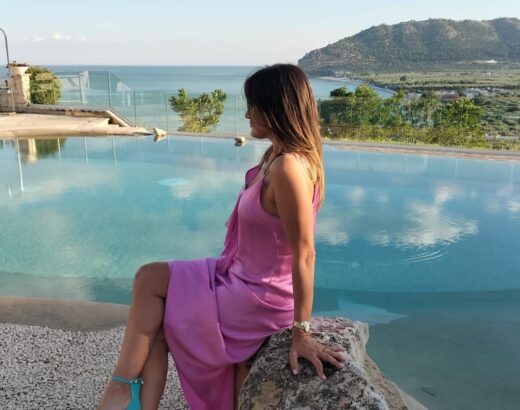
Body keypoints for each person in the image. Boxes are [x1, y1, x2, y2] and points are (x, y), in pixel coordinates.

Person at [97, 63, 347, 410]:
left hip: (259, 295)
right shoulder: (275, 156)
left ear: (276, 108)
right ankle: (123, 391)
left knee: (159, 317)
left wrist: (301, 332)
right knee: (148, 278)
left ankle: (122, 395)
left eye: (252, 106)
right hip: (237, 273)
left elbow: (304, 253)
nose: (246, 114)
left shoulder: (289, 167)